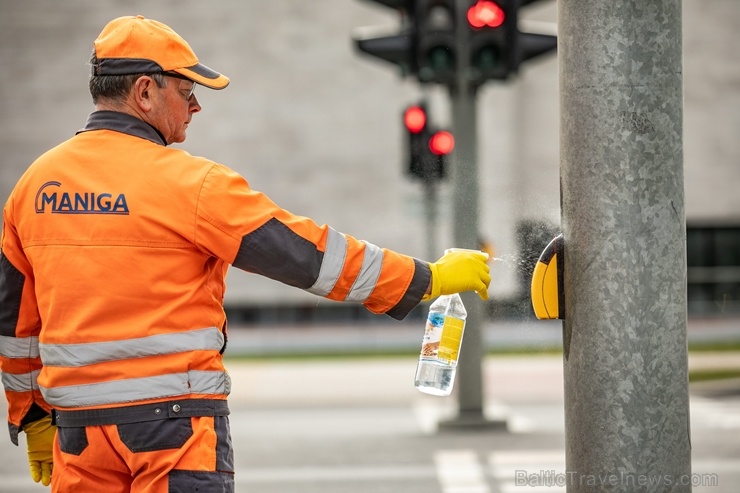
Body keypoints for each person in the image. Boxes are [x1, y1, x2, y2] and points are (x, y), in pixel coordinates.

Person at [0, 15, 491, 493]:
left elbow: (15, 325)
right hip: (173, 428)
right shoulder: (191, 185)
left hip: (78, 435)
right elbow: (309, 257)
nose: (196, 107)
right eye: (187, 93)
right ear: (145, 92)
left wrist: (31, 413)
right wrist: (425, 279)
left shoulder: (34, 185)